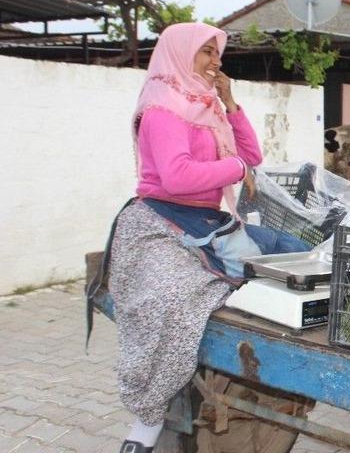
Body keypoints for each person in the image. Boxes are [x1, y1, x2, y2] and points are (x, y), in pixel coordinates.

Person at [89, 23, 310, 453]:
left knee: (298, 256)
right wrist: (237, 171)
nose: (215, 61)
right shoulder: (162, 110)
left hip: (207, 223)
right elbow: (177, 176)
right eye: (205, 52)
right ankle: (145, 424)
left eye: (217, 53)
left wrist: (230, 105)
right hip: (160, 222)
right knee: (170, 300)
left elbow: (252, 157)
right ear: (178, 53)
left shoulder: (206, 107)